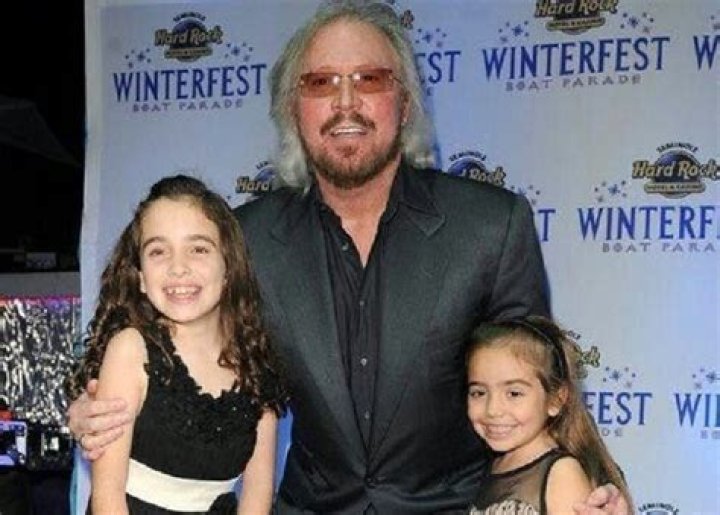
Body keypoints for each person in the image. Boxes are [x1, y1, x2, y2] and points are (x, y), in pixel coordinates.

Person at [68, 2, 629, 513]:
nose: (344, 102)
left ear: (405, 103)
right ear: (293, 110)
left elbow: (537, 387)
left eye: (369, 79)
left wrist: (589, 490)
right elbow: (169, 347)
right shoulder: (245, 238)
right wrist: (93, 408)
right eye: (321, 83)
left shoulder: (492, 226)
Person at [65, 175, 285, 513]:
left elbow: (258, 492)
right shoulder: (130, 350)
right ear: (140, 277)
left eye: (198, 249)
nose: (178, 268)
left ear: (229, 267)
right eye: (158, 251)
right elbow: (107, 497)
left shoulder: (256, 362)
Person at [465, 316, 634, 514]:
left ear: (555, 400)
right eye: (479, 393)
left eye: (514, 393)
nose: (492, 410)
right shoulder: (496, 463)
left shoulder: (562, 474)